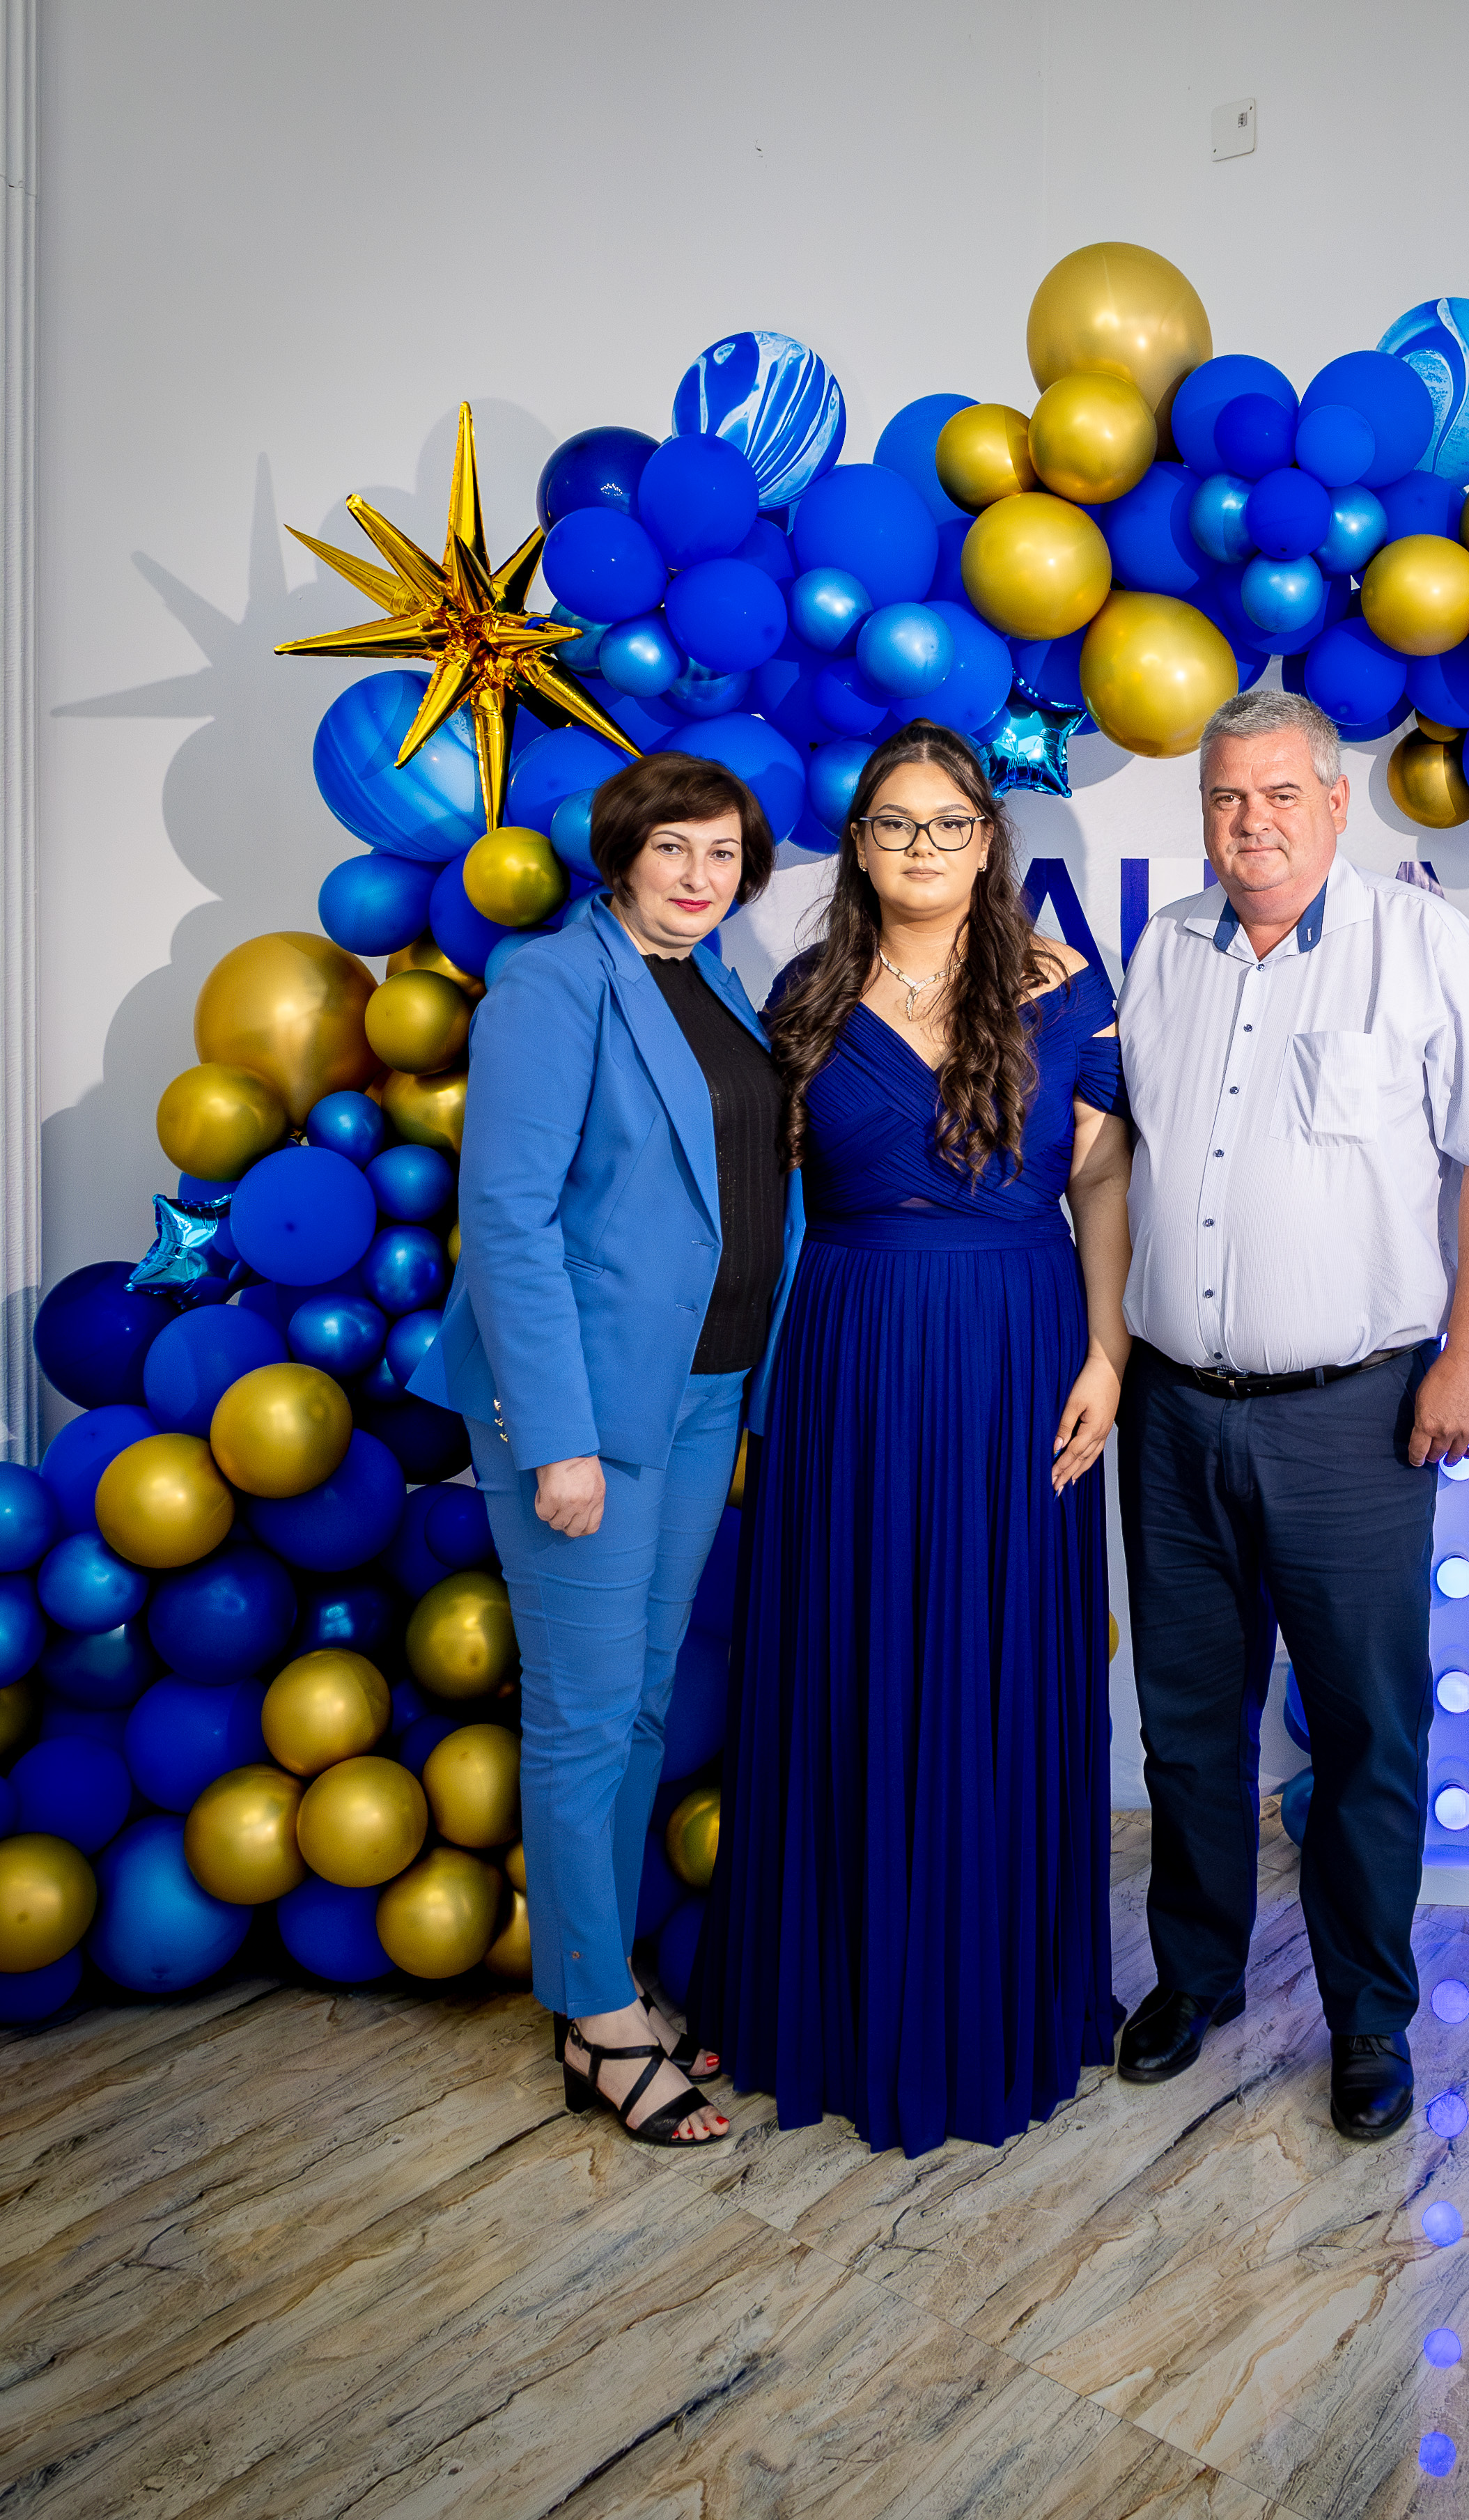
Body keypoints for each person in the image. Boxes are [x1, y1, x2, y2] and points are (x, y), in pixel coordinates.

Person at [1112, 689, 1469, 2141]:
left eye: (1280, 794)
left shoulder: (1420, 945)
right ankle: (1195, 1976)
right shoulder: (1162, 951)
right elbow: (1120, 1160)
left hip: (1353, 1418)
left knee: (1365, 1727)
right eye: (1226, 797)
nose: (1251, 822)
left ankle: (1368, 2017)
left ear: (1335, 802)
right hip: (1172, 1410)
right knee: (1187, 1722)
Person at [696, 717, 1128, 2158]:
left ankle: (990, 1999)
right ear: (859, 843)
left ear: (987, 842)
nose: (921, 846)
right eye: (894, 822)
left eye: (948, 823)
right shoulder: (807, 993)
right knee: (851, 1650)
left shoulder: (1062, 984)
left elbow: (1101, 1179)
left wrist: (1108, 1349)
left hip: (1018, 1343)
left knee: (996, 1653)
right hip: (851, 1350)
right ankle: (836, 1999)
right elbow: (756, 1187)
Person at [411, 752, 801, 2148]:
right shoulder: (550, 982)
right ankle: (594, 2016)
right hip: (589, 1411)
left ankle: (606, 1976)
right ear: (622, 852)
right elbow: (508, 1222)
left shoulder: (717, 983)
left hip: (700, 1393)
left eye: (723, 853)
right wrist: (557, 1441)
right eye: (674, 848)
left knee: (637, 1703)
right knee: (584, 1714)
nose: (699, 876)